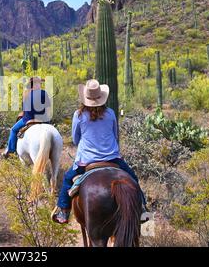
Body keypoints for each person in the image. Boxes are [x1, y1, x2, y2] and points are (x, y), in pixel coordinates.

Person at [52, 79, 148, 224]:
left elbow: (75, 139)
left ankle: (64, 211)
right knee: (133, 178)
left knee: (67, 179)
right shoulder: (110, 113)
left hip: (87, 161)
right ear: (102, 97)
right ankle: (143, 209)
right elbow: (115, 135)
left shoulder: (78, 115)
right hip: (113, 159)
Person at [1, 77, 51, 158]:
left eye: (40, 83)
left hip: (28, 119)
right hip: (43, 120)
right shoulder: (44, 93)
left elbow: (24, 109)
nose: (40, 85)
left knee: (13, 130)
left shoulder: (26, 93)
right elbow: (48, 109)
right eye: (39, 83)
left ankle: (11, 151)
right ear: (34, 84)